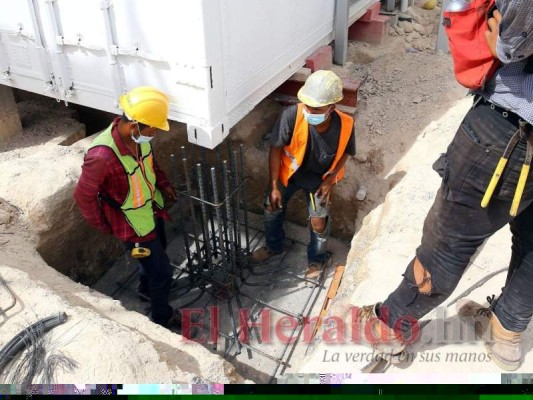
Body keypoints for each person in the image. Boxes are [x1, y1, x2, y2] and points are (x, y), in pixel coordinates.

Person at [355, 0, 533, 371]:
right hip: (512, 137)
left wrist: (503, 40)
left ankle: (390, 324)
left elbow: (513, 39)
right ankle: (507, 335)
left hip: (508, 132)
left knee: (449, 242)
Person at [74, 86, 180, 329]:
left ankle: (146, 290)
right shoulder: (102, 156)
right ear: (134, 125)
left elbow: (151, 165)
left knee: (155, 254)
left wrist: (163, 185)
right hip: (132, 227)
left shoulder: (138, 140)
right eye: (152, 128)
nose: (154, 133)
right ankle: (162, 316)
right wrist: (104, 224)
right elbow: (83, 196)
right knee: (162, 273)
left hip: (151, 212)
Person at [251, 70, 356, 280]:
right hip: (290, 173)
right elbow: (276, 149)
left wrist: (329, 180)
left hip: (319, 179)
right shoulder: (292, 115)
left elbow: (346, 152)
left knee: (319, 222)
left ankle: (316, 259)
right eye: (307, 105)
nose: (309, 111)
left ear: (332, 107)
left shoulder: (345, 124)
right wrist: (273, 186)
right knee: (271, 205)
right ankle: (274, 246)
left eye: (316, 108)